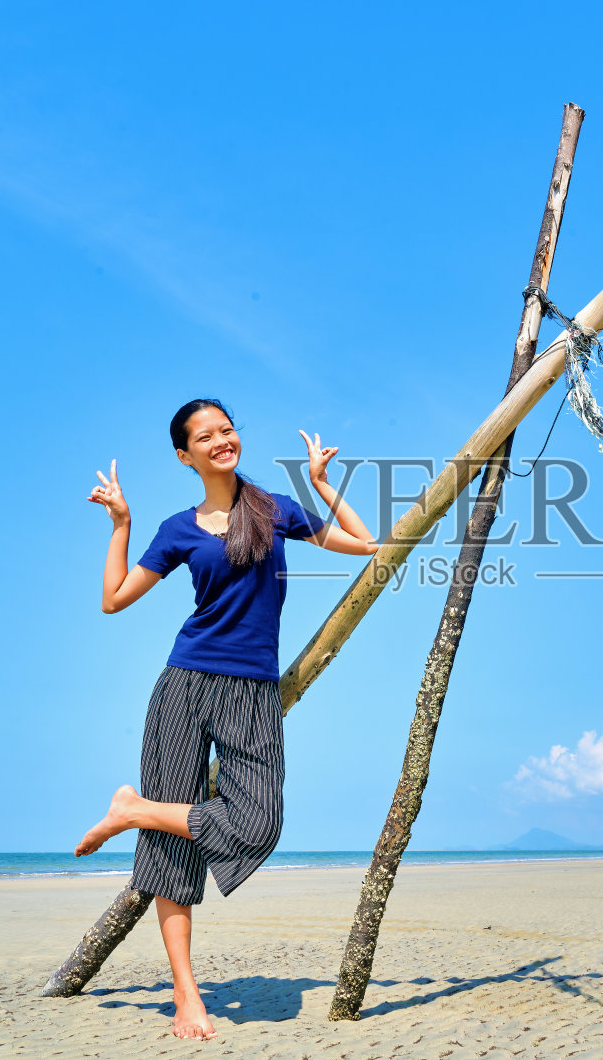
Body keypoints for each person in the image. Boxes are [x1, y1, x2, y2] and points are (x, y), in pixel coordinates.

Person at [73, 397, 377, 1040]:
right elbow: (113, 599)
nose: (221, 440)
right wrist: (120, 523)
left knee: (259, 822)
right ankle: (187, 995)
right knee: (169, 857)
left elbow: (365, 546)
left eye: (228, 430)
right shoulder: (178, 529)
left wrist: (321, 484)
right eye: (205, 436)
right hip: (185, 684)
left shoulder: (272, 508)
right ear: (185, 455)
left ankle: (131, 809)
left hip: (253, 691)